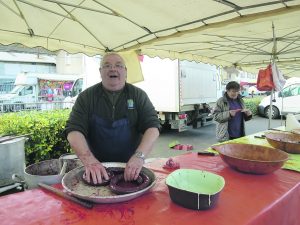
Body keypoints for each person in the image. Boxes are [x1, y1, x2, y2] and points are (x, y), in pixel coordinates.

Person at [64, 52, 160, 185]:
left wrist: (139, 157)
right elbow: (73, 131)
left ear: (125, 71)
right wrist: (89, 161)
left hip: (131, 169)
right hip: (96, 170)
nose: (113, 69)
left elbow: (153, 128)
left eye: (119, 65)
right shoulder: (86, 97)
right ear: (100, 71)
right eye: (107, 65)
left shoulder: (138, 95)